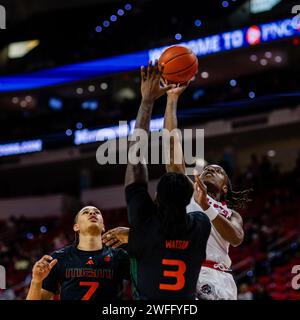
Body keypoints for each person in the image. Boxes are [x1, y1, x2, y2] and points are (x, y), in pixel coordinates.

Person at [104, 77, 252, 300]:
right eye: (207, 169)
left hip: (223, 277)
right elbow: (172, 145)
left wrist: (208, 208)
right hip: (192, 271)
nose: (210, 170)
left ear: (224, 188)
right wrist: (172, 100)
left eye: (218, 171)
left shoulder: (231, 214)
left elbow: (237, 238)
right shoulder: (187, 191)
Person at [123, 60, 211, 299]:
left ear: (156, 198)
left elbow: (136, 162)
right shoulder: (200, 225)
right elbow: (169, 168)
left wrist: (147, 101)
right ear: (188, 195)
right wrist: (170, 100)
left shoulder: (197, 224)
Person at [26, 206, 130, 300]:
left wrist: (132, 236)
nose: (92, 213)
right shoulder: (59, 257)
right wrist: (36, 281)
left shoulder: (119, 256)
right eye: (86, 212)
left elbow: (145, 280)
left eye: (97, 212)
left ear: (103, 226)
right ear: (76, 227)